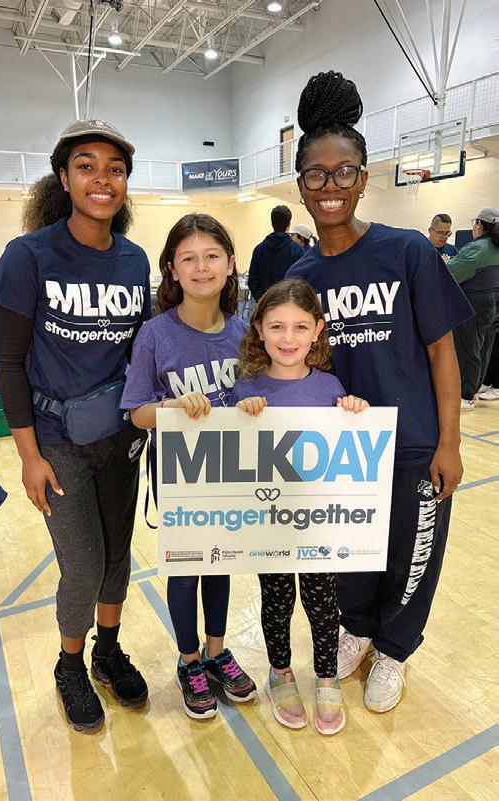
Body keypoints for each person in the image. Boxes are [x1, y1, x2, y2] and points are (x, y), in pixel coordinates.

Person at [287, 71, 473, 713]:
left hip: (415, 442)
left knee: (413, 555)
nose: (330, 186)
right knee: (351, 555)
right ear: (301, 185)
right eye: (316, 175)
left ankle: (394, 648)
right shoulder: (301, 276)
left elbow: (443, 352)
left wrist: (449, 442)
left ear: (363, 178)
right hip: (342, 450)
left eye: (344, 172)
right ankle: (359, 629)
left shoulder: (407, 252)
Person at [0, 119, 151, 733]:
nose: (101, 179)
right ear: (63, 178)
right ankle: (70, 665)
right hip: (58, 443)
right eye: (86, 166)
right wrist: (29, 457)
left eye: (115, 169)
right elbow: (8, 362)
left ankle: (108, 652)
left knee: (117, 560)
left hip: (120, 438)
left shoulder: (134, 260)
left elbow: (139, 354)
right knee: (82, 567)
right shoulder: (28, 257)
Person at [121, 213, 257, 720]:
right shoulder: (155, 334)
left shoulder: (245, 333)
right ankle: (190, 660)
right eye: (189, 258)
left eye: (212, 256)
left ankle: (217, 650)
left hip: (232, 470)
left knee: (220, 562)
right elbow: (137, 414)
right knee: (185, 569)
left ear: (230, 263)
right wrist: (172, 408)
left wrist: (253, 405)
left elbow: (259, 397)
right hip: (180, 474)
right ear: (172, 270)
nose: (202, 267)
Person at [230, 277, 369, 735]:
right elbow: (230, 453)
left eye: (299, 327)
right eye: (276, 327)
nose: (288, 338)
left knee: (322, 601)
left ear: (317, 331)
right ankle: (280, 672)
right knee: (277, 599)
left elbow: (348, 447)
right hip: (269, 522)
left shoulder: (330, 386)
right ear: (259, 329)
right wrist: (241, 415)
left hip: (317, 523)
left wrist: (353, 410)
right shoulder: (246, 389)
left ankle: (326, 676)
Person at [446, 208, 499, 409]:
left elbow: (452, 273)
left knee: (469, 349)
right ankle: (473, 389)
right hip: (494, 301)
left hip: (476, 301)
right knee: (484, 349)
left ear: (479, 224)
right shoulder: (495, 247)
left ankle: (466, 395)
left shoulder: (477, 248)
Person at [247, 205, 303, 301]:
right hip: (289, 303)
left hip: (265, 303)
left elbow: (252, 280)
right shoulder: (297, 250)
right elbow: (301, 281)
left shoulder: (259, 250)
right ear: (289, 224)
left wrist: (262, 300)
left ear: (272, 223)